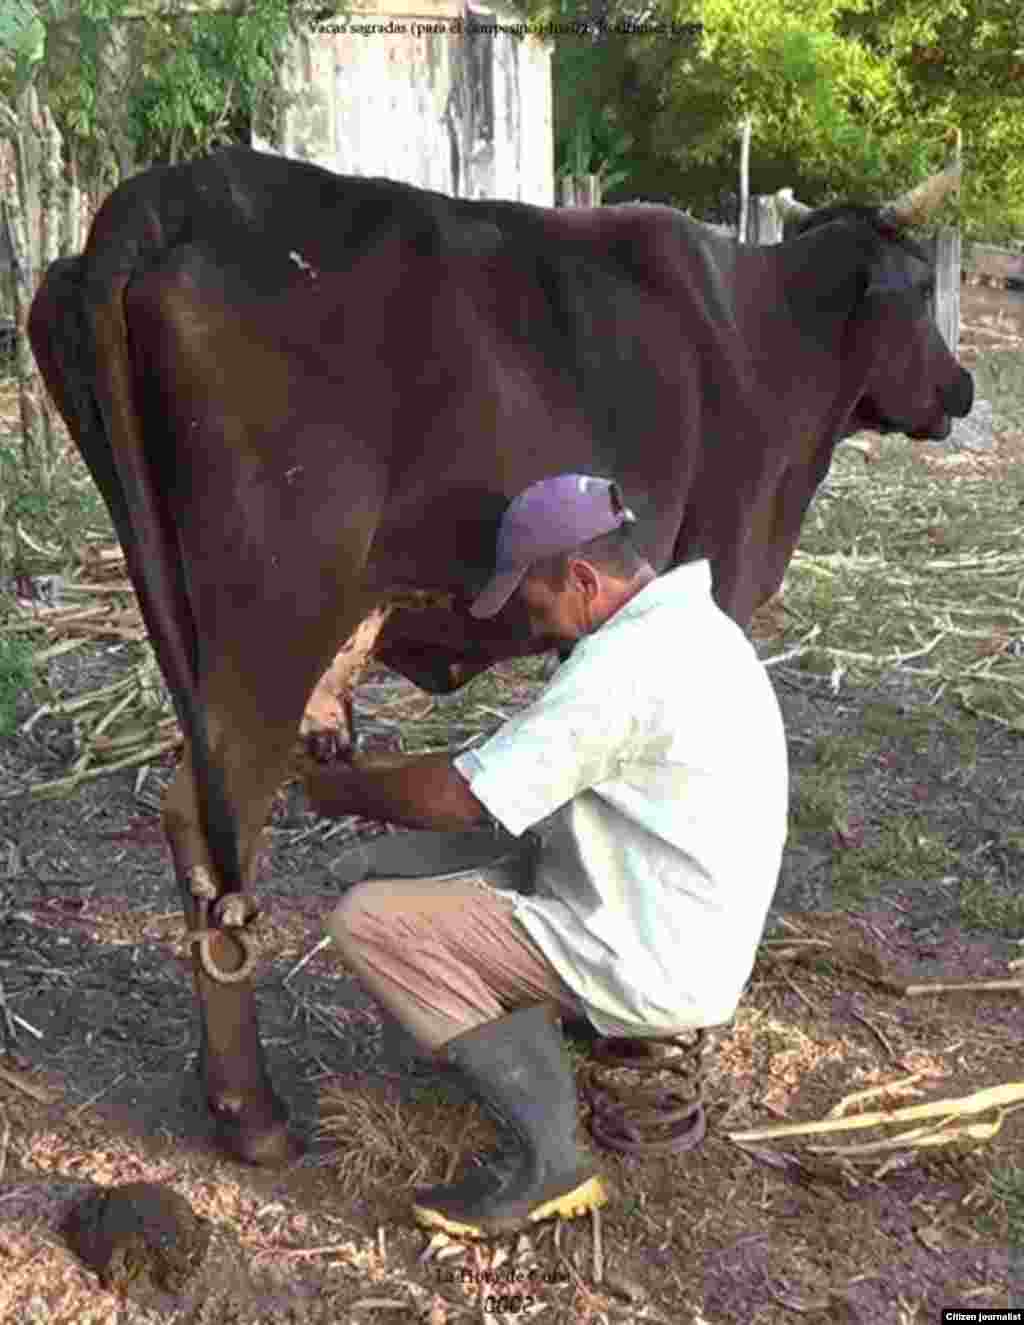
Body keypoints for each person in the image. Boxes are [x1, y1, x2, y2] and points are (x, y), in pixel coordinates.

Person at [302, 473, 789, 1239]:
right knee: (399, 863)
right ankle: (514, 1044)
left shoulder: (622, 671)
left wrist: (342, 790)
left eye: (536, 603)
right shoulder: (696, 632)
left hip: (646, 954)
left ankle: (547, 1156)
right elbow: (508, 791)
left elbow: (465, 798)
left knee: (368, 919)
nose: (534, 627)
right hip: (679, 917)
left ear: (585, 578)